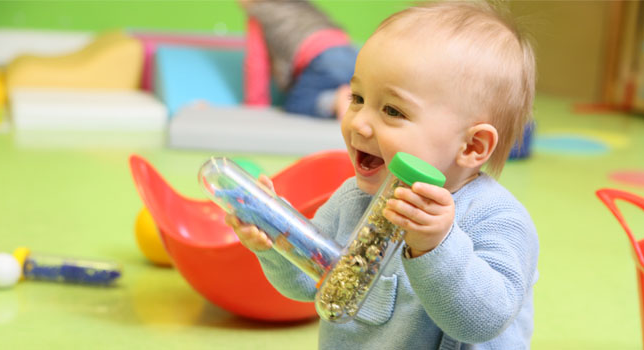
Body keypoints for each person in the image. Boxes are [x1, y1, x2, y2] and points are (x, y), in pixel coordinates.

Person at [226, 1, 539, 349]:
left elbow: (483, 322)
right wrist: (276, 240)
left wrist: (436, 247)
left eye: (392, 110)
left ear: (472, 146)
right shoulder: (353, 202)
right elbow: (306, 281)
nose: (358, 121)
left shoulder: (499, 219)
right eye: (357, 98)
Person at [240, 0, 356, 119]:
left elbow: (256, 64)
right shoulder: (303, 6)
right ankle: (355, 100)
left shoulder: (260, 16)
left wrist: (255, 103)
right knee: (338, 85)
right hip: (349, 52)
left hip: (319, 58)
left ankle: (335, 100)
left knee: (297, 102)